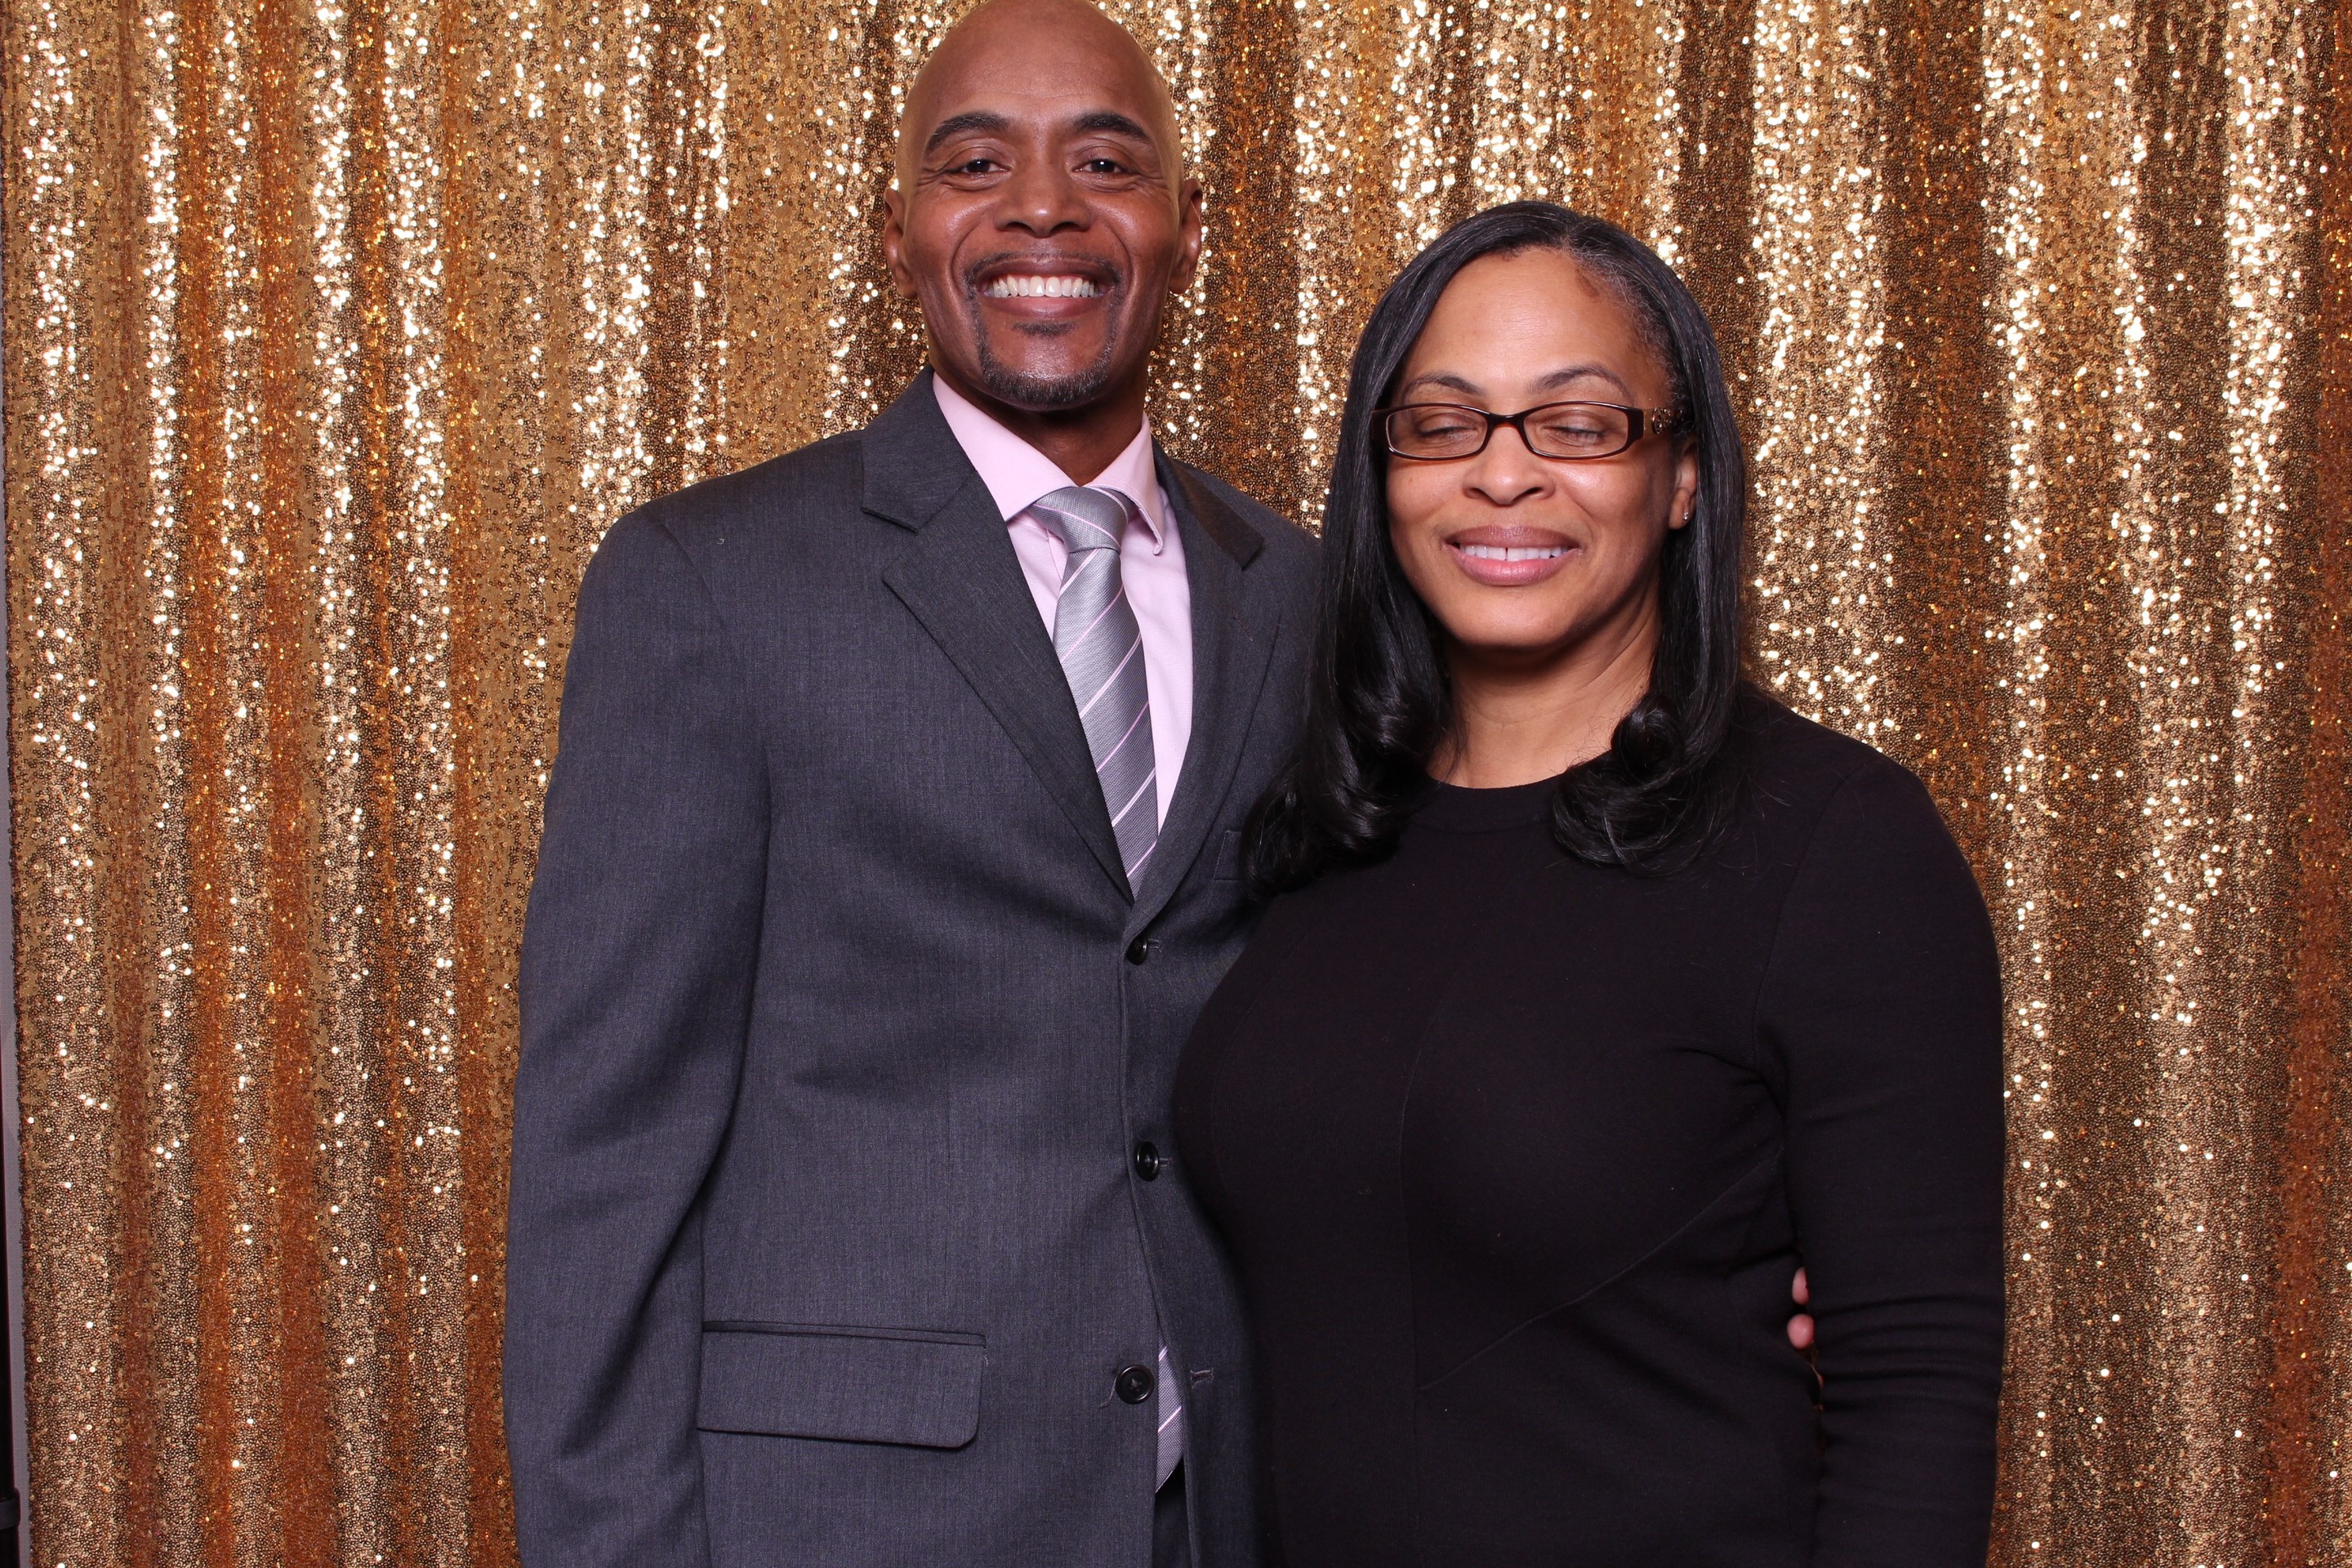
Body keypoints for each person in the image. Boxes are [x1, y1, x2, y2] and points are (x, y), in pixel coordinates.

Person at [500, 2, 1320, 1564]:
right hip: (845, 1517)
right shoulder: (711, 583)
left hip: (1223, 1507)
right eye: (974, 163)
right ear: (898, 233)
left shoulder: (1300, 595)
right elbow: (607, 1151)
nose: (1042, 209)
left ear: (1188, 227)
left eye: (1106, 162)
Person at [1173, 202, 2007, 1567]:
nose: (1503, 476)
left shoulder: (1834, 841)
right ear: (1382, 475)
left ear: (1681, 476)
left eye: (1577, 424)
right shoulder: (1324, 831)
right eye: (1443, 424)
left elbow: (1917, 1387)